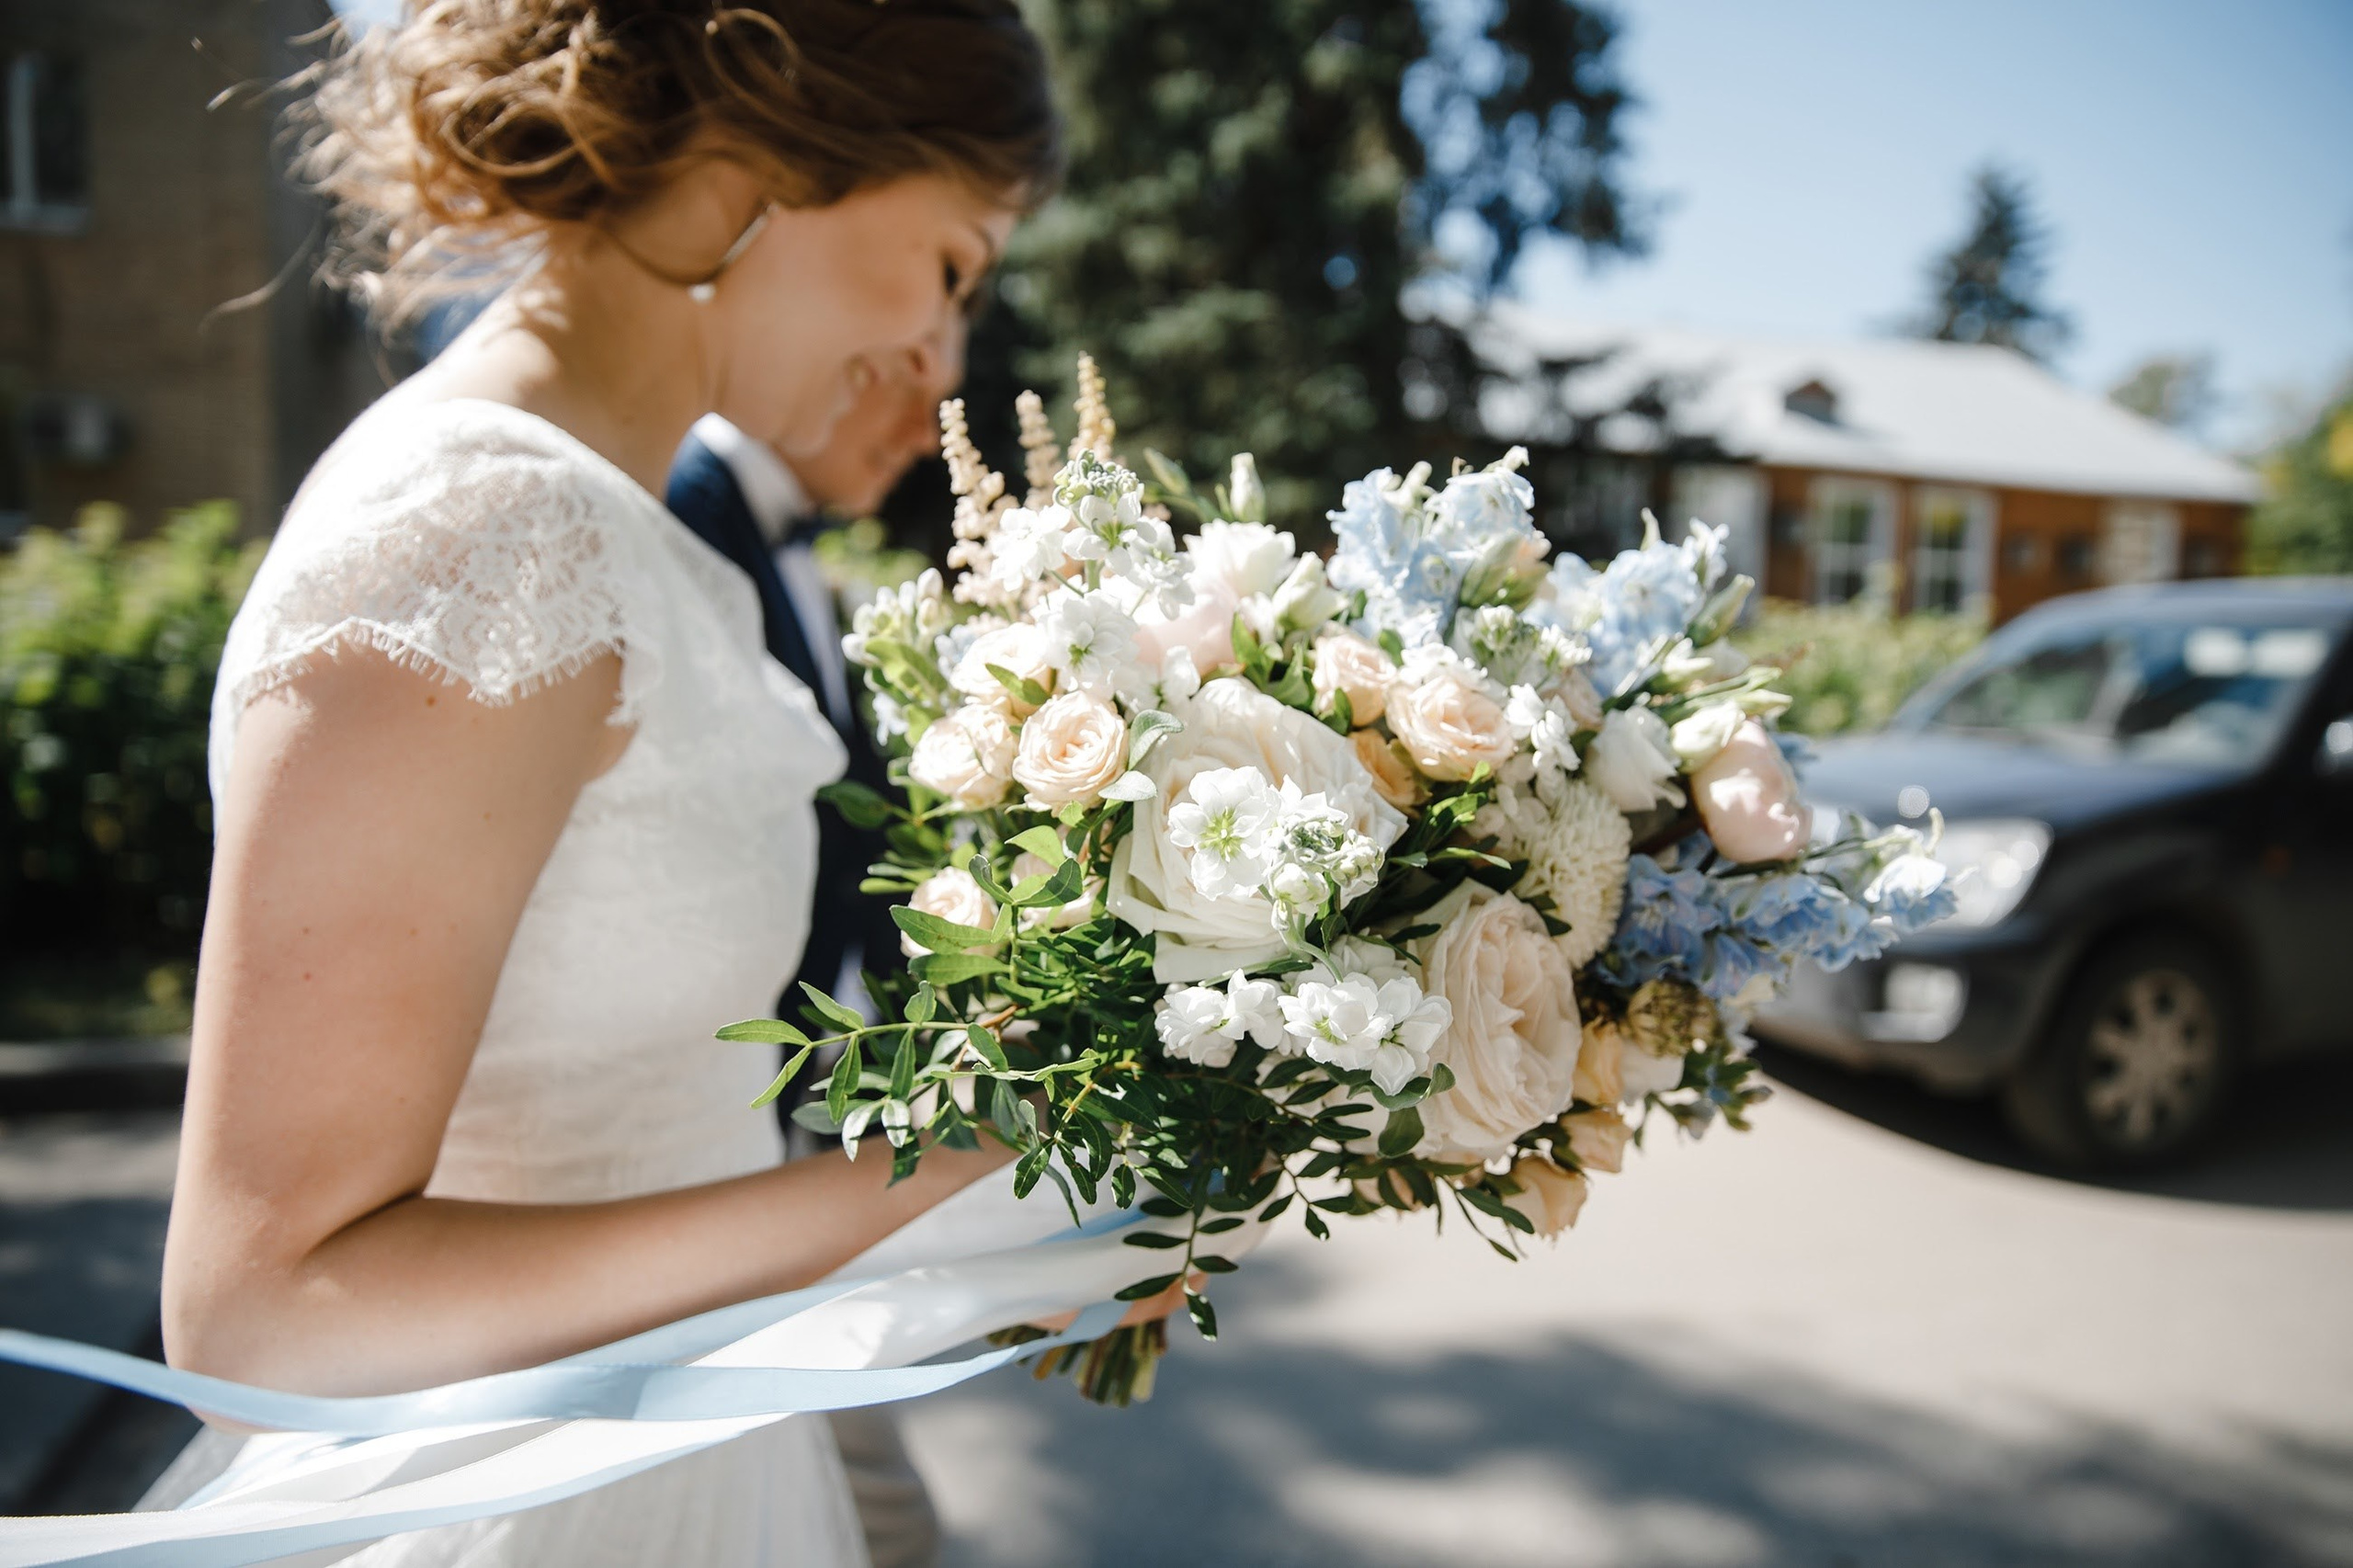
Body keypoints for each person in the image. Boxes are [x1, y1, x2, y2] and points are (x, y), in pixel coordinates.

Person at [149, 6, 1180, 1563]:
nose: (943, 352)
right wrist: (942, 1199)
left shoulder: (623, 526)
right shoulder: (485, 523)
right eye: (954, 264)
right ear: (769, 144)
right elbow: (264, 1315)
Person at [664, 325, 968, 1568]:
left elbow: (847, 834)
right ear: (843, 364)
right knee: (876, 1518)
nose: (923, 438)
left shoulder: (799, 555)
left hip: (804, 1084)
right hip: (710, 1102)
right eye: (912, 395)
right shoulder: (680, 517)